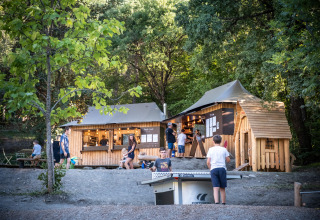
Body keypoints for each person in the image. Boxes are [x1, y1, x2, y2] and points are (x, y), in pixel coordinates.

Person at [206, 135, 230, 205]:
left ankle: (216, 202)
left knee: (216, 187)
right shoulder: (224, 149)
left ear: (213, 141)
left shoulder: (210, 149)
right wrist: (227, 155)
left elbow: (208, 162)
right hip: (222, 169)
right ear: (221, 141)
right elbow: (228, 160)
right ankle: (223, 202)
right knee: (222, 187)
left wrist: (210, 168)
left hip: (214, 169)